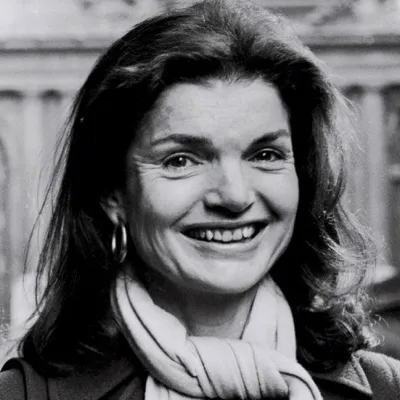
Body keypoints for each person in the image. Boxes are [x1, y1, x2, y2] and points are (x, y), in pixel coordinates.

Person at [1, 0, 400, 398]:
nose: (234, 195)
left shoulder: (388, 388)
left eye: (265, 155)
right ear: (112, 194)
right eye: (181, 160)